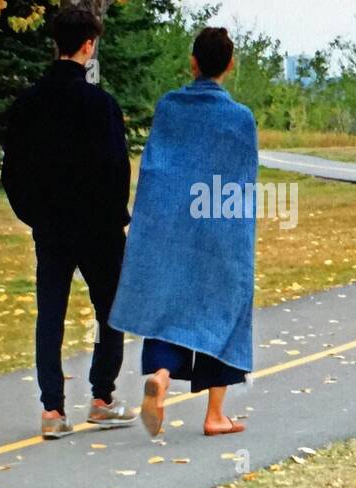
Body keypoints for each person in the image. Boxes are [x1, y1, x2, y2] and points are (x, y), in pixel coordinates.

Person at [109, 27, 257, 438]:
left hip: (172, 227)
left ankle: (161, 374)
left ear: (192, 63)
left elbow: (157, 170)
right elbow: (241, 185)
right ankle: (214, 415)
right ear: (230, 65)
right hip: (219, 231)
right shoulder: (240, 119)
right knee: (224, 311)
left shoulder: (168, 107)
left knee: (169, 307)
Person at [1, 7, 137, 438]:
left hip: (52, 226)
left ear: (55, 43)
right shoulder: (102, 106)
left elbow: (13, 172)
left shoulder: (28, 105)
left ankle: (52, 411)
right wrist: (117, 219)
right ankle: (101, 397)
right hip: (98, 228)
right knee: (109, 312)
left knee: (51, 314)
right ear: (88, 45)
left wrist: (34, 215)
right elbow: (118, 169)